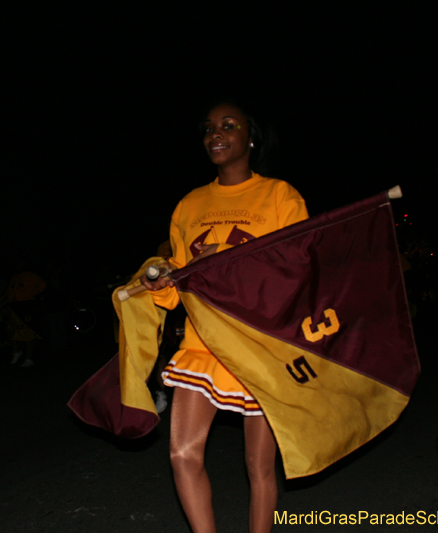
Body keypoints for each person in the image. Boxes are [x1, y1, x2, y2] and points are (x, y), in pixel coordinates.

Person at [140, 100, 308, 533]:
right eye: (209, 128)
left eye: (228, 125)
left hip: (259, 343)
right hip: (203, 343)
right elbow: (178, 284)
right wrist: (162, 281)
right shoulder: (189, 205)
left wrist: (228, 260)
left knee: (259, 466)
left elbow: (296, 271)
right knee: (182, 455)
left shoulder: (280, 196)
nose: (215, 133)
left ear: (251, 138)